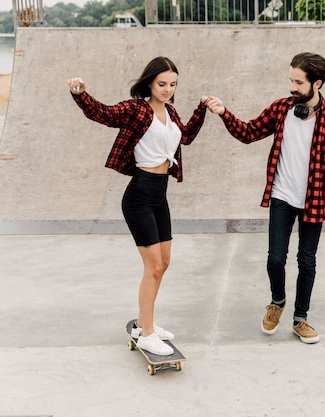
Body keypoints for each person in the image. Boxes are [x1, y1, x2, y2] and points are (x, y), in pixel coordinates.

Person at [205, 52, 325, 344]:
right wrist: (225, 112)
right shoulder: (281, 109)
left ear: (318, 83)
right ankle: (277, 301)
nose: (292, 87)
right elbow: (248, 132)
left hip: (313, 201)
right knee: (276, 259)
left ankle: (300, 318)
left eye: (298, 82)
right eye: (290, 80)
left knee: (307, 261)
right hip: (281, 197)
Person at [67, 57, 208, 355]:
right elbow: (103, 114)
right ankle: (146, 333)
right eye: (162, 84)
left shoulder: (170, 113)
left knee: (164, 263)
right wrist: (80, 95)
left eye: (172, 84)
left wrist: (201, 109)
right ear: (149, 83)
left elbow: (188, 136)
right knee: (153, 266)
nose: (168, 89)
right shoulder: (137, 109)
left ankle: (147, 324)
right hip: (139, 196)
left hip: (160, 196)